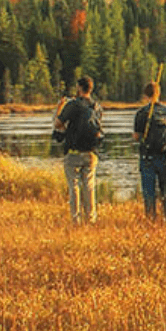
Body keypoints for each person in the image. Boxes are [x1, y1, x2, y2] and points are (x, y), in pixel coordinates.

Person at [54, 76, 104, 225]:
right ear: (91, 88)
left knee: (74, 186)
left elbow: (58, 124)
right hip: (91, 153)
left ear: (79, 87)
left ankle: (75, 220)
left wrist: (59, 108)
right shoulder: (97, 106)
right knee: (89, 187)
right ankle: (91, 220)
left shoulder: (73, 105)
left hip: (73, 153)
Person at [133, 82, 166, 220]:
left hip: (147, 157)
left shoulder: (141, 113)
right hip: (165, 156)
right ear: (159, 93)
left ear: (145, 95)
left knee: (149, 191)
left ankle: (151, 217)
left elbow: (136, 136)